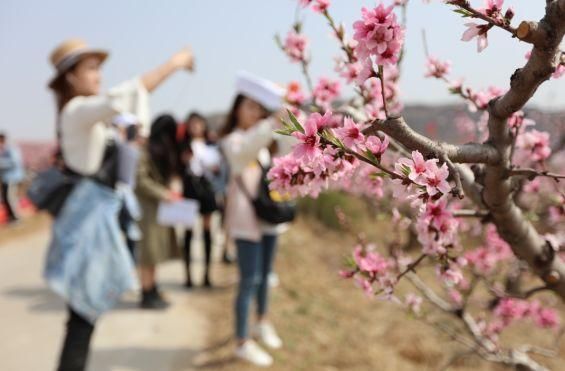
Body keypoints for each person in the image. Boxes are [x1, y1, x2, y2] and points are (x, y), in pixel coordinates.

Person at [44, 38, 194, 371]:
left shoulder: (87, 115)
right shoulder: (76, 110)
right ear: (70, 76)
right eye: (91, 68)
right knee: (82, 318)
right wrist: (174, 63)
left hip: (94, 220)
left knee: (83, 317)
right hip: (88, 224)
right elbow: (130, 93)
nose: (99, 75)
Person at [221, 71, 293, 367]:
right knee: (248, 279)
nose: (255, 113)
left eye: (258, 108)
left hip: (266, 217)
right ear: (237, 108)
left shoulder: (263, 142)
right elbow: (246, 150)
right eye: (249, 107)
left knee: (265, 276)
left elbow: (286, 152)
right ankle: (242, 341)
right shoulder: (233, 140)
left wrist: (287, 119)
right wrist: (270, 122)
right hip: (244, 220)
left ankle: (262, 321)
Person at [136, 114, 183, 308]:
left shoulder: (157, 150)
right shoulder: (144, 151)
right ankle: (146, 293)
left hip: (158, 209)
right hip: (147, 210)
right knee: (148, 255)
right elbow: (140, 181)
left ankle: (152, 288)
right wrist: (163, 193)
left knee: (154, 254)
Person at [179, 112, 221, 288]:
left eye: (199, 124)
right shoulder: (182, 146)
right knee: (188, 232)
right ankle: (188, 275)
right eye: (192, 124)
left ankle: (206, 273)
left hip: (206, 189)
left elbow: (218, 170)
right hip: (189, 189)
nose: (196, 127)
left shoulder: (211, 145)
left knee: (207, 231)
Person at [0, 132, 25, 223]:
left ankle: (16, 217)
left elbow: (15, 162)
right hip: (5, 178)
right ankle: (11, 217)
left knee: (10, 197)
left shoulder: (11, 149)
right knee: (6, 198)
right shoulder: (3, 150)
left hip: (11, 178)